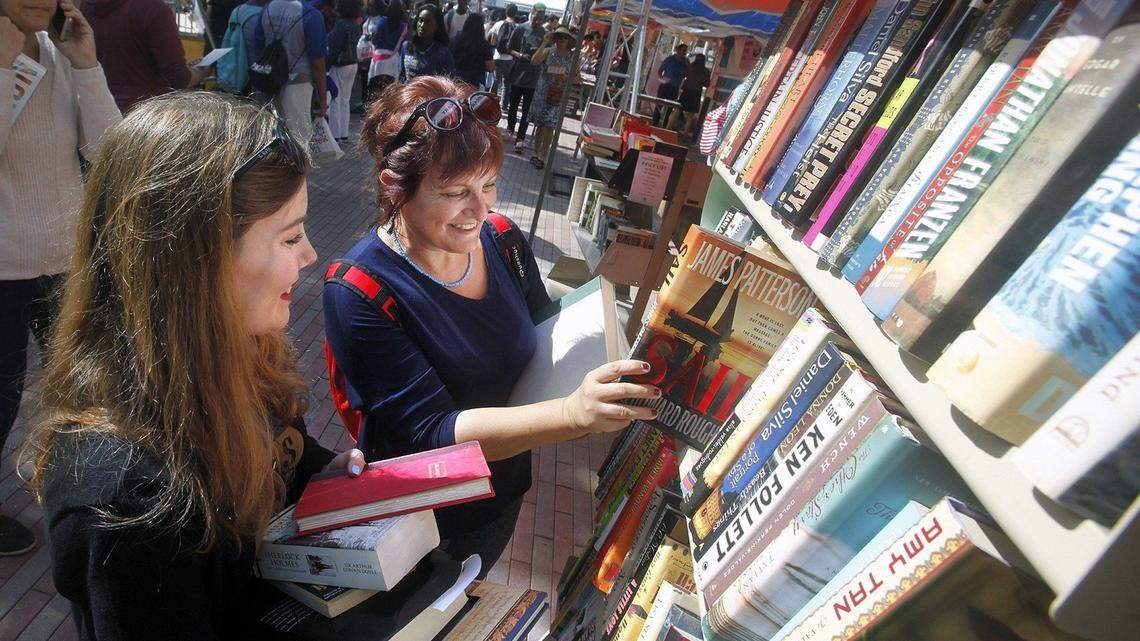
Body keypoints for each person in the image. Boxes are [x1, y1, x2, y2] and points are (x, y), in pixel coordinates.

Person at [27, 92, 366, 637]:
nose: (309, 256)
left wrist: (330, 474)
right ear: (198, 260)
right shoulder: (128, 500)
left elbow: (286, 455)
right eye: (290, 236)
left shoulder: (242, 352)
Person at [325, 77, 658, 570]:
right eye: (455, 192)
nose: (479, 210)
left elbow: (543, 331)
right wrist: (570, 414)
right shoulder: (359, 291)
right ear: (394, 186)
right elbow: (434, 431)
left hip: (501, 491)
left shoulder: (502, 239)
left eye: (488, 185)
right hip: (420, 522)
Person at [0, 0, 119, 557]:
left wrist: (87, 64)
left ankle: (84, 489)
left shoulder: (57, 53)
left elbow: (109, 152)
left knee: (83, 386)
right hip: (3, 267)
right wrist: (4, 68)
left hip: (66, 263)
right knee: (2, 395)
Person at [80, 0, 206, 114]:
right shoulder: (153, 9)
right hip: (147, 114)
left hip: (101, 109)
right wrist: (199, 72)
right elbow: (179, 78)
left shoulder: (86, 7)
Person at [254, 0, 328, 144]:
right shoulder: (311, 14)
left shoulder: (267, 9)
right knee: (299, 138)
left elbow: (258, 47)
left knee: (270, 137)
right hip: (298, 82)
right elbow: (317, 62)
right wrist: (323, 99)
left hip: (268, 81)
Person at [526, 25, 573, 170]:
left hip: (558, 94)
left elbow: (577, 77)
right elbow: (534, 61)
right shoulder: (548, 51)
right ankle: (535, 153)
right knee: (540, 124)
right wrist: (545, 43)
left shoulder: (572, 56)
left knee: (550, 126)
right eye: (558, 36)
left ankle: (543, 156)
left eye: (564, 37)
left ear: (568, 40)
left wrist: (566, 77)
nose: (561, 39)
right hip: (543, 92)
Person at [504, 2, 545, 154]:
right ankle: (510, 129)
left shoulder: (545, 34)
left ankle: (520, 138)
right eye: (535, 17)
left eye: (540, 19)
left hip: (533, 79)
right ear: (531, 14)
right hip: (518, 76)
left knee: (527, 111)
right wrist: (520, 55)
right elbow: (508, 48)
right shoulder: (520, 28)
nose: (537, 21)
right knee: (513, 106)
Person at [327, 0, 362, 141]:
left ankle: (335, 135)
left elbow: (334, 48)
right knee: (345, 99)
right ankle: (344, 133)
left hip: (340, 65)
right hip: (353, 64)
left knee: (335, 99)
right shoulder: (356, 24)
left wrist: (327, 66)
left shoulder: (341, 24)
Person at [399, 2, 453, 83]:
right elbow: (402, 76)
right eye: (420, 20)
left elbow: (449, 83)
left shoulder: (443, 53)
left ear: (436, 26)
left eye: (428, 22)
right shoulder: (406, 46)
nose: (422, 25)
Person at [366, 0, 407, 100]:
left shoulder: (382, 21)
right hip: (393, 60)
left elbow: (375, 40)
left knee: (376, 89)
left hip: (379, 59)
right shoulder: (403, 26)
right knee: (389, 89)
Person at [670, 53, 709, 140]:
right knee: (690, 117)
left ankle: (668, 129)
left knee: (677, 111)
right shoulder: (705, 71)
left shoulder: (690, 67)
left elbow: (683, 75)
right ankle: (685, 136)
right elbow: (707, 84)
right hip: (696, 94)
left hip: (687, 91)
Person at [488, 3, 518, 110]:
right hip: (510, 58)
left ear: (506, 12)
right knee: (507, 83)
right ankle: (503, 105)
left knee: (495, 81)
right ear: (515, 13)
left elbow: (491, 38)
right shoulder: (517, 27)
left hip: (497, 56)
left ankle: (490, 102)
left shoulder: (499, 24)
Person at [452, 13, 492, 89]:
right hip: (476, 83)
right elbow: (490, 67)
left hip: (456, 80)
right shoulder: (484, 44)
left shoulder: (456, 40)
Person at [653, 42, 687, 127]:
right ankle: (654, 123)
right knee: (659, 105)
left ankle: (664, 126)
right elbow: (660, 71)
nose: (684, 53)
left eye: (685, 51)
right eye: (683, 51)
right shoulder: (669, 59)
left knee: (670, 108)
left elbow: (686, 74)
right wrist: (663, 79)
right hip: (665, 86)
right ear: (678, 50)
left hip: (675, 88)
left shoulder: (684, 63)